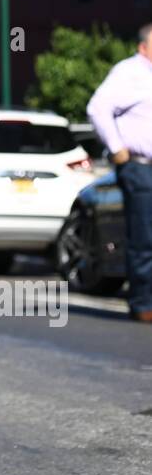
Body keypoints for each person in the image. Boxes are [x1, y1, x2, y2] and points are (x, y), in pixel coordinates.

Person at [87, 23, 152, 322]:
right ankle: (143, 304)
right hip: (140, 168)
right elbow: (98, 108)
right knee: (144, 237)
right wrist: (117, 148)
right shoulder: (129, 72)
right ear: (143, 47)